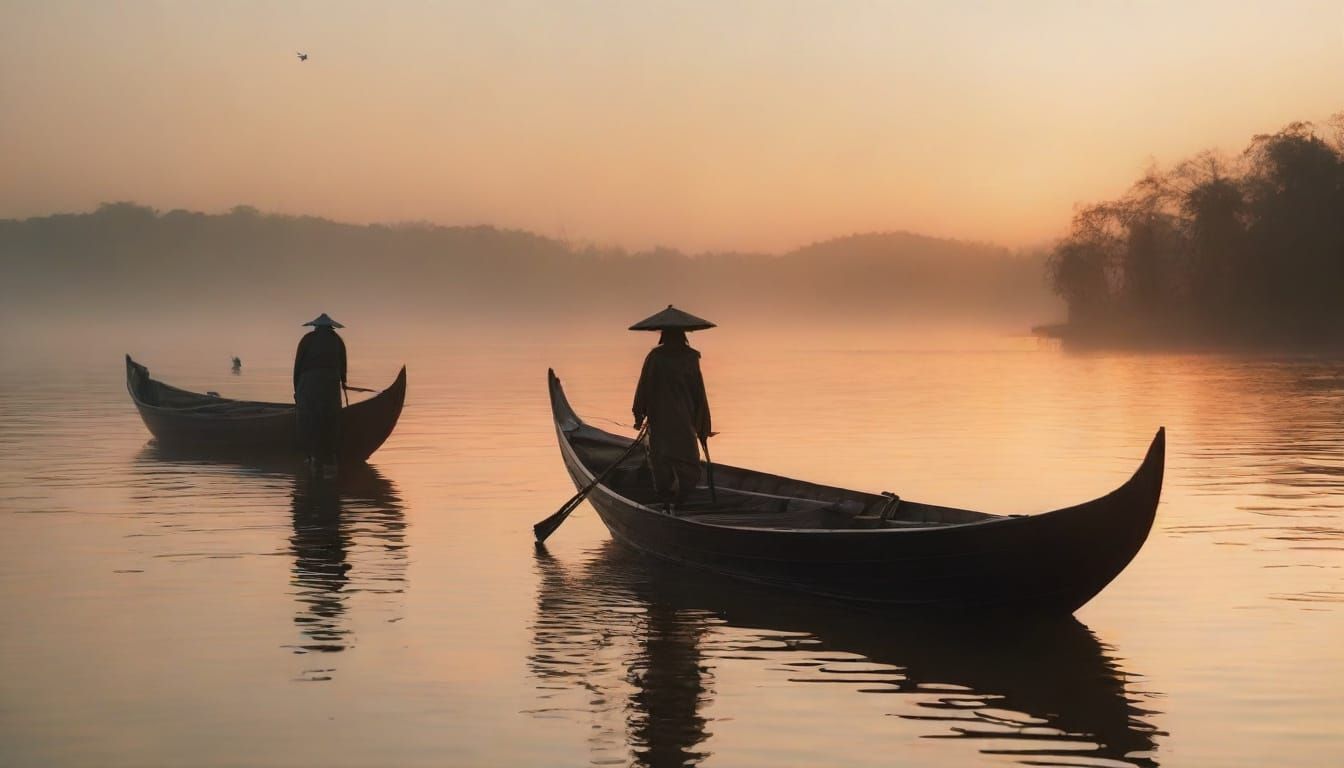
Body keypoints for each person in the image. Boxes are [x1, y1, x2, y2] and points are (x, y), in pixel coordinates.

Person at [631, 305, 714, 508]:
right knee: (686, 461)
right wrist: (702, 425)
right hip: (682, 419)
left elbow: (643, 388)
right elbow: (699, 395)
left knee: (662, 459)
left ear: (663, 336)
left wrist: (638, 414)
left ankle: (669, 499)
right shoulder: (689, 358)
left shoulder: (659, 358)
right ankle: (677, 499)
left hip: (664, 419)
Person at [294, 313, 347, 474]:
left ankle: (313, 457)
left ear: (316, 327)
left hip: (308, 383)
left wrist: (297, 389)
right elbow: (343, 365)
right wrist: (343, 382)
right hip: (330, 383)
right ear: (331, 327)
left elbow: (298, 366)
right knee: (330, 418)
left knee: (309, 418)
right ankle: (330, 456)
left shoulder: (307, 339)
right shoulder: (337, 340)